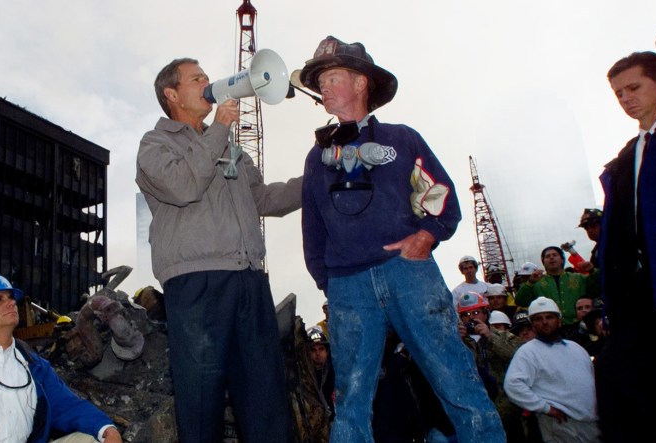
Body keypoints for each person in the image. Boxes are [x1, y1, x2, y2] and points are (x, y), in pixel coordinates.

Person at [299, 35, 505, 443]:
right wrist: (330, 279)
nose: (322, 85)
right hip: (348, 287)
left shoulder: (400, 139)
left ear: (361, 83)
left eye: (332, 76)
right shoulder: (315, 158)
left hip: (408, 273)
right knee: (351, 399)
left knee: (455, 377)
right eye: (319, 79)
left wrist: (427, 236)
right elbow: (313, 228)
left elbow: (442, 199)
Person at [136, 57, 300, 443]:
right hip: (198, 284)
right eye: (197, 79)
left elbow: (264, 199)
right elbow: (182, 186)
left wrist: (314, 180)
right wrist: (220, 129)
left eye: (208, 77)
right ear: (172, 94)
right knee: (201, 399)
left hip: (249, 280)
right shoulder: (155, 144)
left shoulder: (229, 150)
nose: (208, 83)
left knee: (265, 399)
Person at [596, 51, 656, 442]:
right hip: (639, 296)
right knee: (623, 386)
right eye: (618, 93)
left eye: (633, 87)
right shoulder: (626, 158)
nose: (626, 99)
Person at [0, 271, 122, 443]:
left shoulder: (32, 364)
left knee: (91, 439)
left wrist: (108, 429)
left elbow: (66, 405)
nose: (10, 303)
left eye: (10, 298)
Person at [504, 297, 601, 443]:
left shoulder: (576, 348)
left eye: (549, 317)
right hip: (560, 425)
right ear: (532, 324)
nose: (544, 322)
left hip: (590, 423)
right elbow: (513, 385)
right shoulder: (527, 352)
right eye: (538, 318)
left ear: (559, 320)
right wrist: (545, 408)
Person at [457, 293, 525, 443]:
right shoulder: (458, 341)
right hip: (477, 411)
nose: (471, 318)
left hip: (508, 409)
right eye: (465, 315)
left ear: (485, 314)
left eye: (476, 313)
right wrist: (458, 342)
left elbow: (519, 357)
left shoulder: (504, 336)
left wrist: (490, 337)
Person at [514, 246, 598, 325]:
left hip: (578, 325)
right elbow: (520, 301)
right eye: (547, 256)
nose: (551, 257)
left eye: (555, 255)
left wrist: (592, 271)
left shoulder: (579, 278)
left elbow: (600, 289)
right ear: (543, 262)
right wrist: (529, 283)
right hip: (550, 327)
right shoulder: (537, 283)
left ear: (562, 260)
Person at [306, 326, 334, 417]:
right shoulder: (304, 376)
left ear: (327, 351)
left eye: (321, 349)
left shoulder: (336, 372)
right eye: (313, 350)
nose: (318, 354)